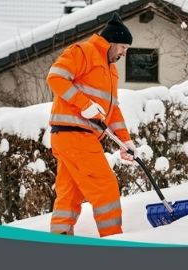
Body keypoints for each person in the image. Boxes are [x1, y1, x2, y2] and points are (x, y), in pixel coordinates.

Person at [46, 12, 136, 237]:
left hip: (74, 138)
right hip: (75, 134)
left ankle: (60, 239)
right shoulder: (84, 52)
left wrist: (125, 140)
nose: (124, 53)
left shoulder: (111, 71)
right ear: (111, 42)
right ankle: (113, 238)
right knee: (105, 188)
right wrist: (83, 104)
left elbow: (112, 110)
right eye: (123, 47)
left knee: (69, 194)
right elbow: (55, 77)